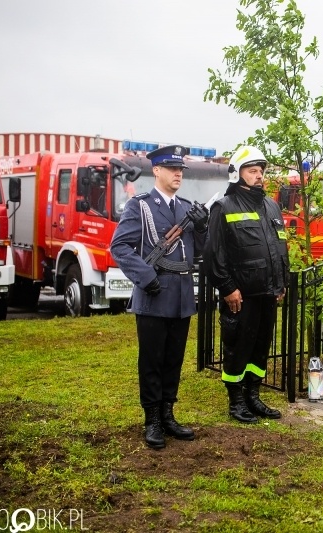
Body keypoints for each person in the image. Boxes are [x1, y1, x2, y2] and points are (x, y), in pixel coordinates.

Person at [111, 145, 209, 449]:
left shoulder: (186, 208)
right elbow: (120, 247)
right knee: (152, 361)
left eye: (181, 169)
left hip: (180, 296)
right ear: (156, 170)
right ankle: (152, 419)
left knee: (173, 360)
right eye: (171, 168)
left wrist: (203, 226)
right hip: (153, 295)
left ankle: (168, 415)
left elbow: (199, 253)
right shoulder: (139, 206)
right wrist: (146, 277)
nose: (178, 173)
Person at [205, 145, 289, 424]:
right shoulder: (223, 207)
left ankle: (253, 396)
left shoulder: (271, 205)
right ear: (236, 174)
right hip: (240, 296)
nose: (259, 176)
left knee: (260, 347)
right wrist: (228, 288)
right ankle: (236, 401)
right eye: (252, 171)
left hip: (267, 293)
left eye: (261, 171)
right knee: (238, 348)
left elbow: (279, 248)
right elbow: (213, 255)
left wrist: (280, 284)